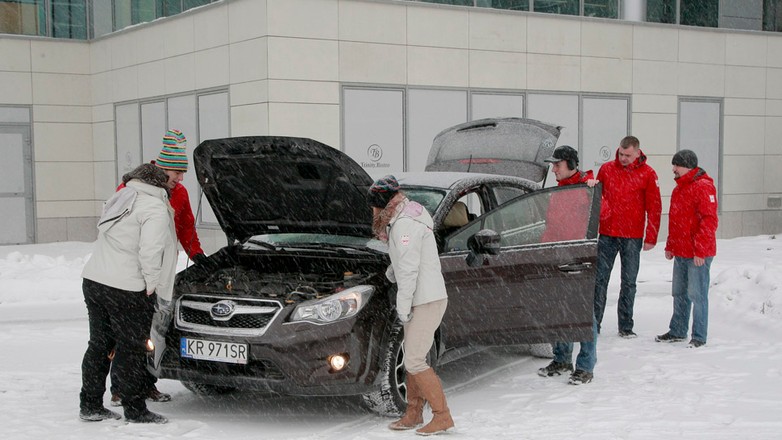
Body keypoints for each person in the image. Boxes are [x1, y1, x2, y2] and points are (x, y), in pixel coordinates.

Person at [110, 128, 205, 406]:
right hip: (131, 272)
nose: (180, 179)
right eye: (177, 173)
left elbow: (185, 226)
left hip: (161, 273)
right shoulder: (131, 190)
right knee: (127, 333)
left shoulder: (180, 193)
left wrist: (196, 253)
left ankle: (147, 383)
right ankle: (120, 387)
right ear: (163, 168)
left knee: (154, 332)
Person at [79, 163, 176, 424]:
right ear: (158, 184)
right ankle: (135, 409)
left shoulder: (120, 197)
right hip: (126, 288)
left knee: (99, 345)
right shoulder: (154, 207)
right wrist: (152, 286)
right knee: (132, 348)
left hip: (94, 281)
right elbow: (150, 251)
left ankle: (90, 404)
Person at [368, 175, 454, 436]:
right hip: (426, 296)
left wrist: (402, 306)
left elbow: (409, 272)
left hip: (424, 299)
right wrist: (393, 270)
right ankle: (413, 413)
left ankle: (442, 416)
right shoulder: (406, 216)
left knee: (415, 360)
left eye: (373, 206)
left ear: (382, 204)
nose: (371, 211)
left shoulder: (404, 224)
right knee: (414, 359)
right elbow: (409, 260)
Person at [536, 145, 599, 385]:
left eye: (557, 165)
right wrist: (542, 251)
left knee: (583, 315)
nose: (553, 169)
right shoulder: (558, 191)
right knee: (559, 312)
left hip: (580, 259)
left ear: (571, 164)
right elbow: (552, 226)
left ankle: (585, 366)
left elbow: (607, 215)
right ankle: (562, 359)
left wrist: (595, 191)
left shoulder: (587, 187)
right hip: (558, 258)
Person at [593, 136, 661, 338]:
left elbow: (654, 207)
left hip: (632, 236)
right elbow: (598, 198)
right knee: (600, 280)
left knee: (629, 282)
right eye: (621, 154)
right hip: (607, 233)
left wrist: (651, 236)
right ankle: (595, 323)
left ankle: (625, 326)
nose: (623, 158)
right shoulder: (606, 169)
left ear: (638, 153)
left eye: (627, 155)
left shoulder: (648, 174)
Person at [656, 150, 718, 348]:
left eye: (677, 165)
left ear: (688, 166)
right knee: (679, 293)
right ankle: (678, 331)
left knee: (697, 295)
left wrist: (700, 250)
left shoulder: (703, 187)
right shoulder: (679, 189)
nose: (673, 169)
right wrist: (670, 245)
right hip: (681, 251)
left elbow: (709, 221)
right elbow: (676, 221)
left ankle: (699, 336)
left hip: (698, 254)